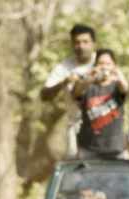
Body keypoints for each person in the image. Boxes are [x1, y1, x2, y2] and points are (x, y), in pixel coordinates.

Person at [40, 24, 98, 158]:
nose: (81, 46)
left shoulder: (101, 61)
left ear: (94, 43)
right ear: (72, 44)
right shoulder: (64, 67)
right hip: (77, 125)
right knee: (77, 168)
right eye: (77, 42)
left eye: (85, 42)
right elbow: (44, 95)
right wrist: (64, 82)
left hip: (103, 124)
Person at [73, 49, 129, 159]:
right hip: (89, 148)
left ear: (114, 65)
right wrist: (90, 77)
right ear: (95, 65)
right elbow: (76, 92)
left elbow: (125, 88)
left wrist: (117, 73)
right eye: (101, 63)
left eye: (108, 64)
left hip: (115, 148)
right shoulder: (87, 86)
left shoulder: (116, 86)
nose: (104, 67)